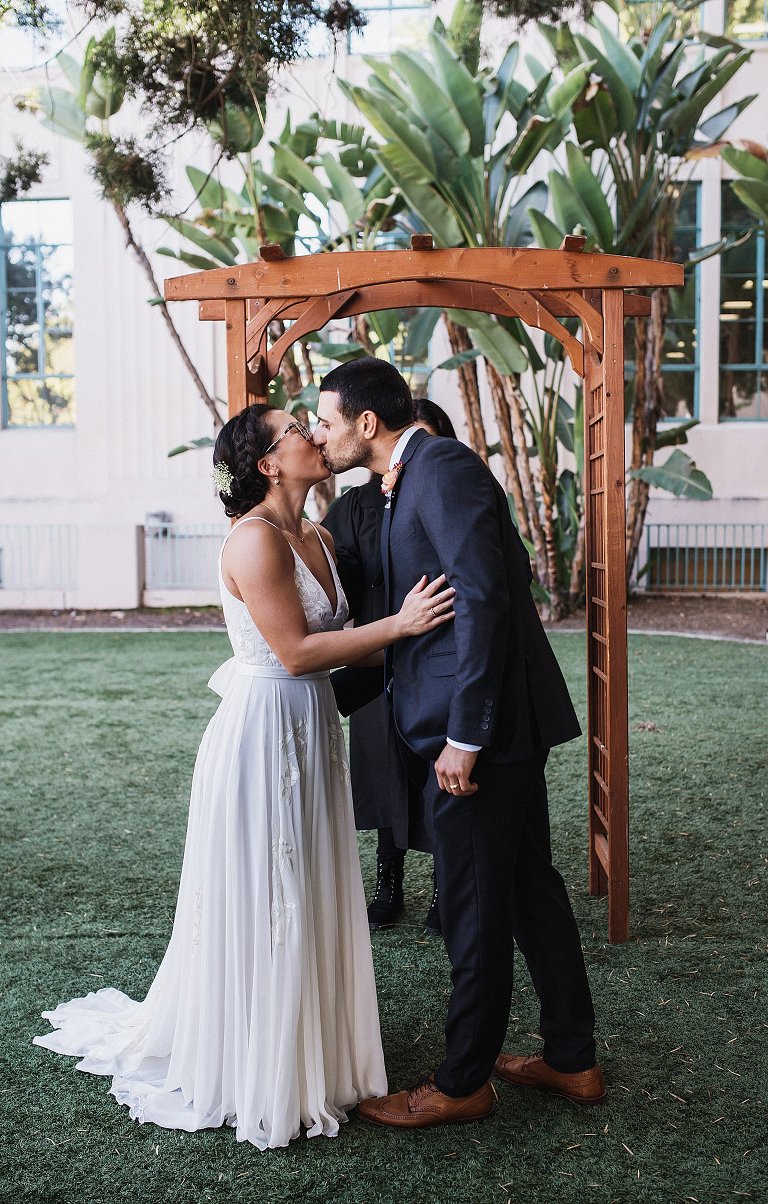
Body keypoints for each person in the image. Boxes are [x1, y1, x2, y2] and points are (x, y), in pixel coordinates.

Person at [33, 404, 455, 1151]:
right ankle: (261, 1065)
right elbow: (295, 652)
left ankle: (316, 1054)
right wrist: (400, 626)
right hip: (263, 733)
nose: (315, 435)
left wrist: (422, 642)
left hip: (313, 725)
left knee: (311, 883)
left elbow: (340, 646)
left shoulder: (317, 535)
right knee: (272, 890)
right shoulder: (255, 540)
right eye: (299, 428)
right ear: (267, 463)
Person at [313, 357, 605, 1130]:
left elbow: (482, 600)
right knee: (531, 891)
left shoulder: (440, 465)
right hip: (487, 729)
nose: (324, 433)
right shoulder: (401, 481)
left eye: (328, 420)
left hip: (481, 737)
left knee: (477, 908)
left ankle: (462, 1080)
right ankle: (573, 1059)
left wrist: (464, 738)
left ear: (366, 423)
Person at [323, 398, 458, 934]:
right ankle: (388, 883)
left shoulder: (447, 494)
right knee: (385, 775)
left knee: (439, 777)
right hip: (378, 657)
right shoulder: (357, 506)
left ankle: (448, 889)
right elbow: (333, 578)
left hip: (437, 659)